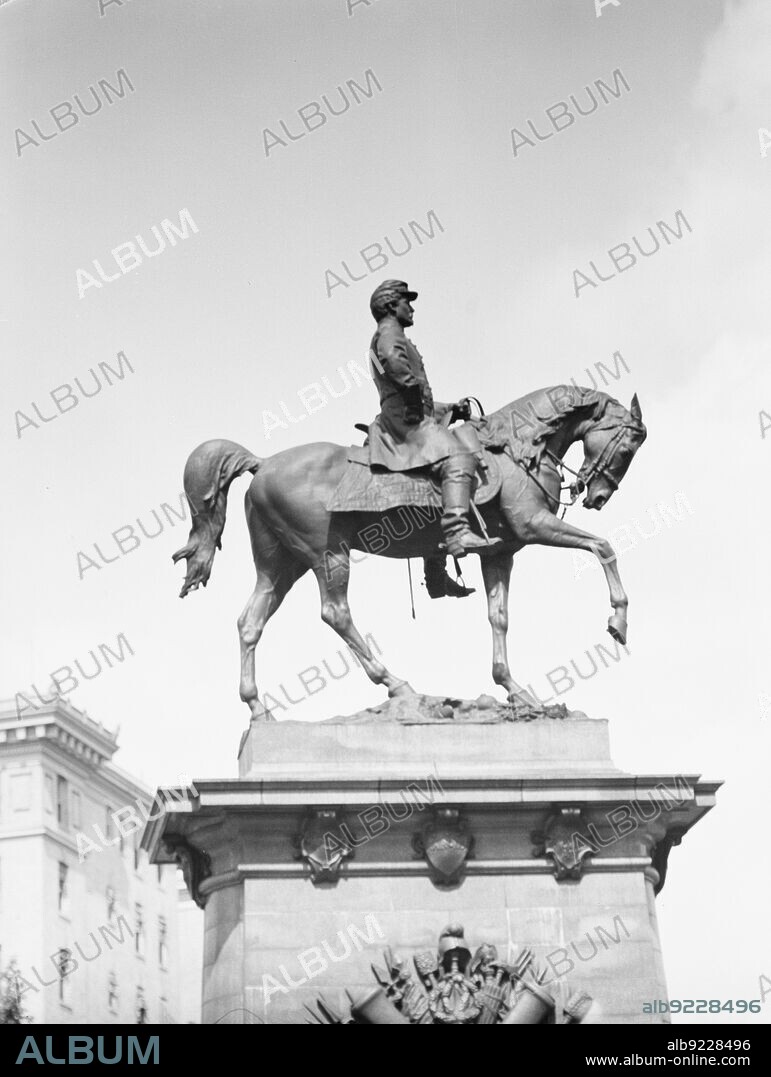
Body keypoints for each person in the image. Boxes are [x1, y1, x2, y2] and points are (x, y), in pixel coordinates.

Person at [367, 280, 500, 596]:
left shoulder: (395, 336)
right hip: (404, 422)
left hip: (411, 414)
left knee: (437, 483)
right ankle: (457, 534)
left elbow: (415, 391)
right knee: (459, 458)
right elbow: (399, 372)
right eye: (405, 301)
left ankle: (437, 575)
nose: (411, 308)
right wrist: (416, 402)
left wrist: (450, 408)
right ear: (390, 306)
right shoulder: (388, 336)